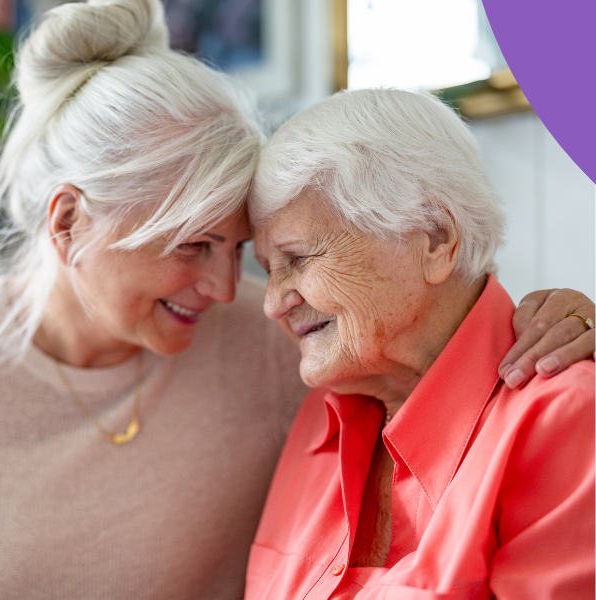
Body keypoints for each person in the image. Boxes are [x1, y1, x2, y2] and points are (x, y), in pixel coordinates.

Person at [0, 1, 595, 597]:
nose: (232, 292)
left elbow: (439, 338)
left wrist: (564, 318)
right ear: (70, 221)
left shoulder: (288, 354)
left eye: (243, 251)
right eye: (192, 246)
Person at [246, 88, 595, 600]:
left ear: (434, 238)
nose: (272, 302)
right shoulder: (318, 417)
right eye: (266, 271)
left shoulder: (563, 418)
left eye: (297, 258)